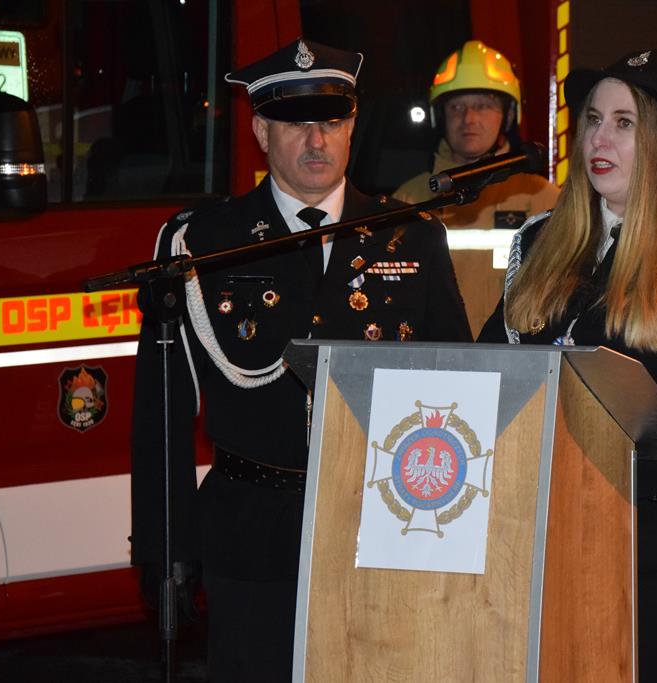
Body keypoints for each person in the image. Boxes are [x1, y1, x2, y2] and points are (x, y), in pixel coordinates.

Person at [130, 39, 471, 682]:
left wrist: (455, 533)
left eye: (332, 121)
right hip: (250, 532)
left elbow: (458, 396)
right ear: (261, 130)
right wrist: (164, 546)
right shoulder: (204, 242)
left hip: (382, 529)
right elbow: (162, 411)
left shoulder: (411, 236)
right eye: (295, 122)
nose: (317, 140)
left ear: (352, 126)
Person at [478, 47, 657, 681]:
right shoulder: (545, 240)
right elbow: (490, 367)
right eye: (592, 119)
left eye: (623, 122)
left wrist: (607, 475)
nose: (598, 139)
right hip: (543, 535)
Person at [393, 40, 559, 336]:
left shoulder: (542, 199)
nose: (469, 119)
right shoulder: (408, 200)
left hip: (511, 359)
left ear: (508, 115)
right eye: (457, 107)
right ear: (439, 116)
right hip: (432, 358)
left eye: (483, 105)